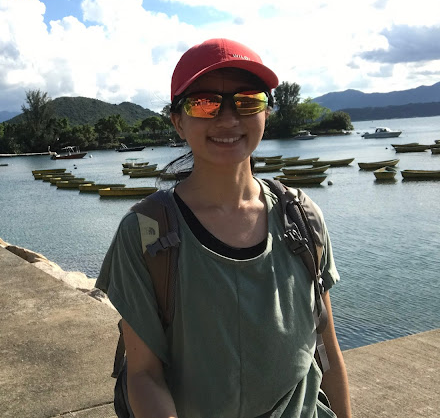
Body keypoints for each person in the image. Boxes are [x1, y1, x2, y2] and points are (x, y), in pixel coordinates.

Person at [96, 38, 351, 418]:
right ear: (178, 122)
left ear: (267, 113)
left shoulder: (301, 217)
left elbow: (326, 349)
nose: (228, 119)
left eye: (248, 101)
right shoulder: (147, 232)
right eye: (204, 103)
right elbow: (145, 374)